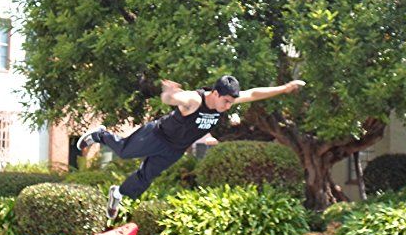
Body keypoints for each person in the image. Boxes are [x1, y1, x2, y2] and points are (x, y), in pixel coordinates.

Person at [77, 75, 305, 218]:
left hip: (174, 149)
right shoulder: (194, 100)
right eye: (225, 101)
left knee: (145, 178)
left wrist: (285, 88)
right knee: (125, 151)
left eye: (231, 103)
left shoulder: (227, 100)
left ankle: (117, 193)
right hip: (157, 135)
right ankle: (100, 134)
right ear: (215, 93)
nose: (228, 107)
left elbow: (254, 93)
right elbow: (172, 100)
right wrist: (169, 95)